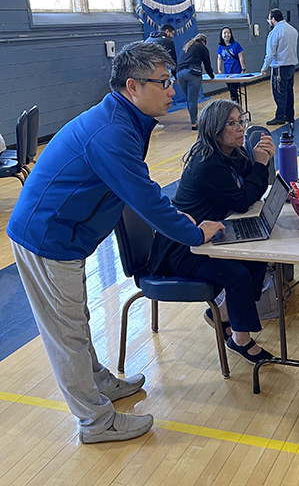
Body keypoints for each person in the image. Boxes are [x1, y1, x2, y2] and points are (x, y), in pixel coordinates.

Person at [6, 41, 225, 444]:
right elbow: (144, 198)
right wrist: (193, 233)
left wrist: (180, 218)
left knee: (76, 320)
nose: (172, 89)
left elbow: (140, 190)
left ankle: (99, 383)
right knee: (66, 331)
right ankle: (95, 422)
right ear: (132, 86)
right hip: (47, 237)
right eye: (163, 82)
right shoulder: (111, 131)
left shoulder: (125, 120)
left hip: (65, 235)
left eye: (171, 79)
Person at [149, 99, 277, 363]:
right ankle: (240, 339)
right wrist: (261, 164)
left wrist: (262, 162)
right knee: (237, 273)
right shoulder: (207, 165)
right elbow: (243, 201)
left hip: (210, 236)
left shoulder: (232, 154)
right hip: (183, 247)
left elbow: (252, 193)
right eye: (232, 124)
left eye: (242, 120)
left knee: (256, 257)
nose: (241, 128)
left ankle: (224, 314)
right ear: (213, 131)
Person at [261, 8, 298, 126]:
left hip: (280, 67)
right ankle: (290, 115)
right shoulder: (293, 30)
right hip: (291, 66)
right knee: (289, 91)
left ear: (273, 19)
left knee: (279, 92)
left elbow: (271, 53)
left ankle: (280, 116)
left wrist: (264, 68)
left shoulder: (275, 32)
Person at [177, 33, 215, 130]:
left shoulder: (187, 44)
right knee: (193, 100)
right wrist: (212, 76)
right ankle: (194, 123)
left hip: (179, 73)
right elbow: (207, 64)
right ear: (204, 42)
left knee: (189, 100)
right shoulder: (203, 48)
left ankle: (193, 120)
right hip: (192, 73)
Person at [217, 27, 246, 103]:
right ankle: (235, 106)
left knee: (233, 90)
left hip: (236, 71)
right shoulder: (220, 47)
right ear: (222, 35)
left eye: (228, 33)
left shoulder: (236, 45)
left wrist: (243, 69)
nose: (227, 35)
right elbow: (219, 58)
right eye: (225, 33)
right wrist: (219, 69)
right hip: (227, 73)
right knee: (231, 91)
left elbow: (241, 58)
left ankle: (236, 106)